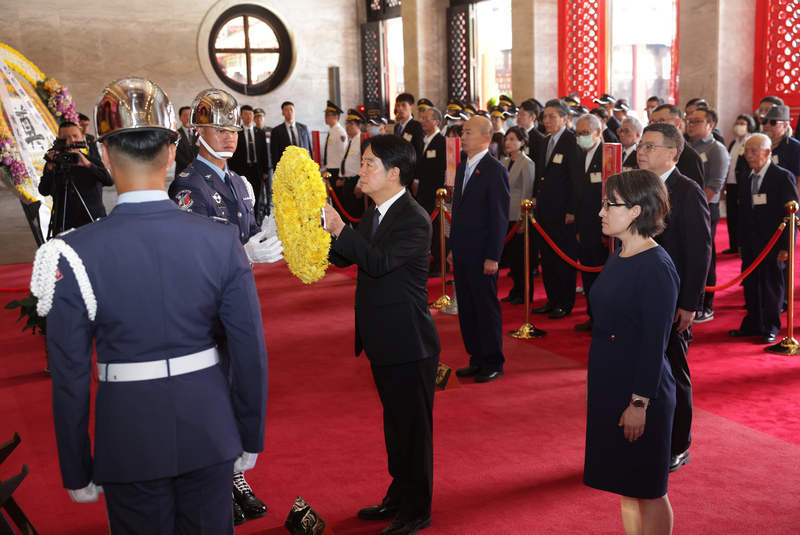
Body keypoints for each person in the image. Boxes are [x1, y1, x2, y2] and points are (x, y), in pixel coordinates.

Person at [33, 76, 268, 535]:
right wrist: (249, 433)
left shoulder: (72, 253)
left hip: (129, 437)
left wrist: (76, 465)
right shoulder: (221, 242)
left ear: (104, 154)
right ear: (172, 150)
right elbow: (249, 350)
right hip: (209, 428)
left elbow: (69, 375)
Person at [168, 88, 282, 524]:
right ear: (198, 132)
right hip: (205, 308)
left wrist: (271, 232)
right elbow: (196, 255)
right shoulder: (189, 185)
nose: (230, 136)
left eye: (233, 128)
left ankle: (232, 475)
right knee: (212, 396)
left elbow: (248, 235)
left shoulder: (237, 182)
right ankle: (218, 482)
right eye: (219, 128)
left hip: (236, 302)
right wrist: (244, 253)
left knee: (234, 389)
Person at [323, 135, 440, 535]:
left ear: (394, 173)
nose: (361, 170)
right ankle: (399, 494)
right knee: (395, 426)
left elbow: (377, 262)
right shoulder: (375, 212)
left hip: (408, 341)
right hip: (383, 338)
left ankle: (417, 509)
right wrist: (312, 236)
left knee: (413, 430)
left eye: (369, 163)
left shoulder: (414, 218)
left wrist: (341, 228)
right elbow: (346, 255)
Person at [584, 169, 679, 535]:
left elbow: (655, 342)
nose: (602, 211)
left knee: (648, 488)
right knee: (625, 483)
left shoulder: (656, 267)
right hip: (611, 378)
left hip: (641, 387)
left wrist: (639, 403)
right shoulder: (619, 255)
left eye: (610, 204)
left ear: (637, 211)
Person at [636, 122, 712, 473]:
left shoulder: (687, 190)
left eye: (650, 146)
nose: (641, 151)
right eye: (641, 144)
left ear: (672, 153)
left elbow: (700, 253)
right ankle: (646, 434)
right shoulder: (638, 187)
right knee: (642, 367)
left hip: (672, 299)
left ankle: (679, 444)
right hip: (638, 294)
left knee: (673, 373)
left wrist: (689, 304)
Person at [450, 116, 511, 383]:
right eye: (462, 132)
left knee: (485, 308)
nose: (463, 137)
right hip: (463, 249)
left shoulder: (495, 169)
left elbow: (498, 217)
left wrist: (492, 256)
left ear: (486, 137)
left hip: (482, 253)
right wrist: (452, 247)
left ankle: (493, 361)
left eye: (468, 132)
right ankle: (476, 358)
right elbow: (459, 212)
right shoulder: (463, 165)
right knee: (467, 308)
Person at [729, 134, 799, 344]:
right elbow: (743, 214)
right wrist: (740, 243)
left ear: (768, 153)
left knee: (772, 287)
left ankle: (771, 327)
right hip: (751, 243)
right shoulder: (746, 177)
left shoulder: (782, 177)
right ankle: (753, 324)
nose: (749, 155)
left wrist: (787, 246)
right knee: (750, 284)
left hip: (773, 243)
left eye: (754, 151)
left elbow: (792, 215)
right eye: (746, 151)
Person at [531, 99, 582, 319]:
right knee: (548, 258)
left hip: (563, 213)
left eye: (552, 116)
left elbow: (576, 180)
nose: (547, 120)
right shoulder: (544, 142)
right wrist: (535, 196)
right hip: (544, 211)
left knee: (563, 258)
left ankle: (565, 301)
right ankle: (552, 299)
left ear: (565, 118)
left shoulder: (572, 142)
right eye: (545, 116)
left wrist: (572, 210)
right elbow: (540, 175)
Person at [686, 107, 730, 323]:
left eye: (696, 121)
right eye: (689, 120)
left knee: (705, 255)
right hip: (686, 207)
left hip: (705, 208)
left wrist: (695, 207)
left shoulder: (717, 149)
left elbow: (715, 186)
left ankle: (707, 304)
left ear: (710, 125)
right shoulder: (686, 146)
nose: (690, 124)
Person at [39, 121, 113, 236]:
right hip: (64, 221)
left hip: (93, 219)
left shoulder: (92, 161)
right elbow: (43, 191)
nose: (72, 140)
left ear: (81, 137)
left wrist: (88, 165)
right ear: (59, 140)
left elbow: (109, 181)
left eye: (75, 136)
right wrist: (50, 167)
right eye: (66, 137)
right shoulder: (55, 163)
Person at [573, 113, 608, 332]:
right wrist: (577, 227)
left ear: (597, 132)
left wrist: (607, 232)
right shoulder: (580, 155)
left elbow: (608, 196)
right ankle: (592, 316)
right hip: (583, 226)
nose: (581, 138)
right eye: (578, 134)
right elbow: (578, 194)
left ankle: (603, 319)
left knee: (601, 275)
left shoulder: (608, 155)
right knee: (587, 275)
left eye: (585, 133)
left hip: (601, 226)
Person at [499, 126, 535, 305]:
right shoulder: (504, 162)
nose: (507, 142)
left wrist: (523, 219)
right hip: (505, 215)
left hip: (518, 216)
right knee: (512, 257)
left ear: (522, 142)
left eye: (512, 139)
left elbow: (526, 193)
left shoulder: (527, 163)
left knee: (521, 257)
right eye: (506, 139)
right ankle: (516, 289)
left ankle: (525, 291)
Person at [414, 106, 448, 277]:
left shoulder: (441, 142)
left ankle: (441, 264)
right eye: (422, 118)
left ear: (436, 121)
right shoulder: (424, 140)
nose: (423, 121)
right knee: (429, 229)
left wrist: (440, 194)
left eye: (427, 118)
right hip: (424, 193)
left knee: (438, 229)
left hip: (436, 196)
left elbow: (443, 170)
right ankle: (433, 260)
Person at [648, 104, 706, 189]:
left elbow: (694, 193)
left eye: (661, 121)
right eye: (652, 122)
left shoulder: (690, 157)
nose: (655, 126)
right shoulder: (649, 152)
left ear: (677, 123)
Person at [723, 114, 757, 254]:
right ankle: (733, 245)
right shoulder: (734, 142)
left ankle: (742, 245)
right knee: (731, 215)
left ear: (749, 126)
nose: (739, 125)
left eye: (742, 123)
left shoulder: (751, 141)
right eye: (737, 123)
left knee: (742, 215)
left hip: (743, 184)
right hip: (731, 183)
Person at [229, 104, 270, 215]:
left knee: (257, 197)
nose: (249, 116)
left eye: (251, 114)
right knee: (243, 196)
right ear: (241, 116)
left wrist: (265, 171)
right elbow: (233, 154)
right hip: (242, 170)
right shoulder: (236, 132)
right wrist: (233, 171)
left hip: (257, 170)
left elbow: (264, 153)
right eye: (246, 114)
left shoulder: (260, 132)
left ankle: (256, 221)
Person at [761, 105, 800, 186]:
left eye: (773, 122)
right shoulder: (759, 144)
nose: (767, 125)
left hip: (785, 195)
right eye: (765, 121)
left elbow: (798, 179)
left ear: (785, 126)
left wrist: (796, 198)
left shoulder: (795, 147)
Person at [270, 101, 312, 170]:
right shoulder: (277, 130)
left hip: (303, 165)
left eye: (291, 109)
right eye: (286, 110)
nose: (289, 112)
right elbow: (275, 153)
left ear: (295, 111)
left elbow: (309, 147)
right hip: (287, 167)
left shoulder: (303, 128)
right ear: (282, 113)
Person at [394, 92, 425, 157]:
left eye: (403, 105)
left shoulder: (417, 126)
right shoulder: (397, 127)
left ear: (411, 107)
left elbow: (420, 150)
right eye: (398, 105)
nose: (400, 108)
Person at [175, 106, 197, 177]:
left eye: (190, 115)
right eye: (185, 115)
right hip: (182, 169)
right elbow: (176, 153)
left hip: (197, 170)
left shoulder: (199, 133)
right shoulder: (176, 134)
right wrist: (187, 164)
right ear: (180, 118)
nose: (188, 118)